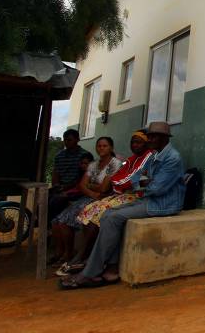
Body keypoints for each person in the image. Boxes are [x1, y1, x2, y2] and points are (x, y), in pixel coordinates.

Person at [60, 121, 185, 290]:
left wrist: (143, 183)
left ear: (164, 138)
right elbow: (137, 178)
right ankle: (111, 268)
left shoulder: (172, 158)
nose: (149, 140)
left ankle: (90, 273)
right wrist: (143, 183)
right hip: (148, 198)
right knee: (107, 214)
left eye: (153, 137)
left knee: (113, 218)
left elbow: (157, 188)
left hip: (163, 204)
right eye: (149, 136)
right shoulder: (155, 155)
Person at [56, 131, 157, 276]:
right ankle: (83, 256)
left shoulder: (148, 158)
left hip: (136, 197)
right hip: (123, 194)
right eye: (132, 142)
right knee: (89, 210)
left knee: (100, 211)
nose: (134, 145)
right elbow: (117, 180)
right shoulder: (131, 159)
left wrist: (117, 184)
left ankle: (83, 257)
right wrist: (117, 184)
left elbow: (120, 182)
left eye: (138, 142)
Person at [51, 137, 121, 266]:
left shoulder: (114, 163)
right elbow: (81, 185)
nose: (101, 148)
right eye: (99, 146)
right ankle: (64, 253)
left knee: (71, 220)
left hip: (104, 199)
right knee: (58, 221)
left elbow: (104, 188)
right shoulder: (93, 164)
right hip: (91, 197)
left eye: (105, 146)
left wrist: (90, 186)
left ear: (111, 148)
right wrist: (93, 191)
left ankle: (71, 255)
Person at [48, 129, 93, 225]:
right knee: (44, 197)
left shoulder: (84, 156)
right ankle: (43, 223)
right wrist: (56, 186)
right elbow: (56, 173)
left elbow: (83, 178)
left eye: (69, 140)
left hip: (76, 189)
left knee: (56, 201)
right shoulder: (59, 156)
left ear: (77, 140)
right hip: (61, 187)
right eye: (65, 140)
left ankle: (53, 225)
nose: (66, 142)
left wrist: (66, 188)